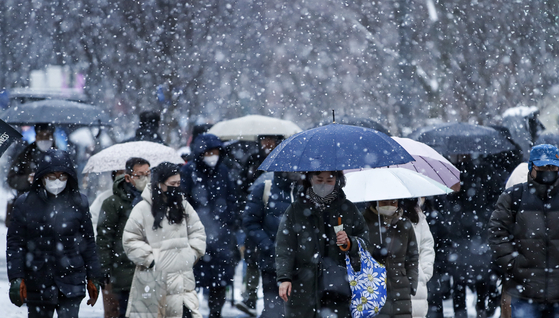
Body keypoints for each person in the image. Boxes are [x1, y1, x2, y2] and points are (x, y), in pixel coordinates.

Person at [6, 149, 102, 317]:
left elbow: (88, 243)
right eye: (52, 177)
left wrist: (94, 277)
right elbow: (15, 244)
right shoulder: (26, 203)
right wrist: (16, 277)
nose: (57, 181)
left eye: (62, 177)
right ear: (42, 177)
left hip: (71, 278)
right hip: (37, 279)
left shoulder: (79, 202)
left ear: (69, 177)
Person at [275, 170, 369, 318]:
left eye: (329, 180)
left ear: (337, 180)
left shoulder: (348, 209)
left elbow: (365, 241)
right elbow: (284, 247)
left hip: (338, 285)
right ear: (310, 179)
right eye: (319, 180)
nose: (324, 185)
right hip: (303, 285)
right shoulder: (295, 210)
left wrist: (350, 242)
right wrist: (284, 278)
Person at [123, 162, 206, 318]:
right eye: (171, 184)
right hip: (153, 281)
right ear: (159, 184)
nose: (176, 187)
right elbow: (130, 240)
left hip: (183, 282)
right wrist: (152, 260)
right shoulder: (142, 208)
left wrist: (192, 255)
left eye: (178, 183)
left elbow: (198, 232)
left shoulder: (184, 205)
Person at [489, 144, 559, 317]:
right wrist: (514, 265)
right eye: (542, 167)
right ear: (531, 167)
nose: (548, 171)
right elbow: (497, 233)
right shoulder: (513, 197)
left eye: (553, 167)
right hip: (524, 292)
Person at [180, 134, 240, 318]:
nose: (212, 156)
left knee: (220, 281)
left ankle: (216, 313)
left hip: (221, 238)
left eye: (215, 152)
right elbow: (182, 202)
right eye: (208, 152)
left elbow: (232, 198)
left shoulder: (223, 171)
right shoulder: (188, 172)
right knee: (190, 281)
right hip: (195, 238)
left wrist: (228, 219)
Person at [236, 134, 284, 316]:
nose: (267, 144)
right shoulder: (253, 161)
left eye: (271, 140)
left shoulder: (288, 169)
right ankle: (249, 296)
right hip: (259, 221)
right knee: (252, 261)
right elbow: (241, 188)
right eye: (264, 140)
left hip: (272, 227)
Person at [96, 157, 151, 318]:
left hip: (149, 269)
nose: (145, 179)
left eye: (148, 174)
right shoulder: (113, 203)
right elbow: (104, 238)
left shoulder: (153, 200)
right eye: (139, 175)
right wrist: (104, 268)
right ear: (128, 177)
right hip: (123, 271)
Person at [242, 171, 300, 318]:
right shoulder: (264, 189)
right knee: (274, 310)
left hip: (300, 265)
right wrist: (270, 247)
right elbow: (250, 222)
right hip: (271, 263)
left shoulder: (306, 191)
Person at [363, 199, 419, 318]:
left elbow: (412, 256)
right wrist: (373, 252)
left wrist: (411, 282)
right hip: (374, 287)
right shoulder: (363, 221)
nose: (389, 206)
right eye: (384, 202)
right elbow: (357, 252)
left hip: (401, 288)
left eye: (393, 202)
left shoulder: (405, 224)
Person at [6, 123, 57, 226]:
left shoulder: (60, 156)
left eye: (47, 136)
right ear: (36, 137)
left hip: (53, 210)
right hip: (26, 210)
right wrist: (27, 180)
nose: (44, 139)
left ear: (52, 137)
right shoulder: (25, 155)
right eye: (41, 136)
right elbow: (12, 180)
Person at [400, 198, 435, 318]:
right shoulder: (379, 218)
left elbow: (427, 245)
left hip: (415, 277)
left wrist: (424, 271)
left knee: (416, 313)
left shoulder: (417, 216)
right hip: (389, 280)